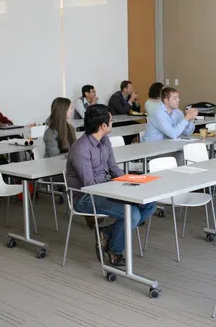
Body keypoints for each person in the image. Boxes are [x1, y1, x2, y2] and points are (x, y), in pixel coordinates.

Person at [65, 104, 157, 267]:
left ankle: (106, 233)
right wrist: (117, 190)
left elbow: (113, 168)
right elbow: (90, 185)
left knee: (149, 204)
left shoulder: (105, 141)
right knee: (133, 214)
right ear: (103, 126)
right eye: (111, 120)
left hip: (107, 189)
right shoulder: (81, 149)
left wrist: (132, 181)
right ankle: (115, 250)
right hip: (85, 197)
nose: (112, 122)